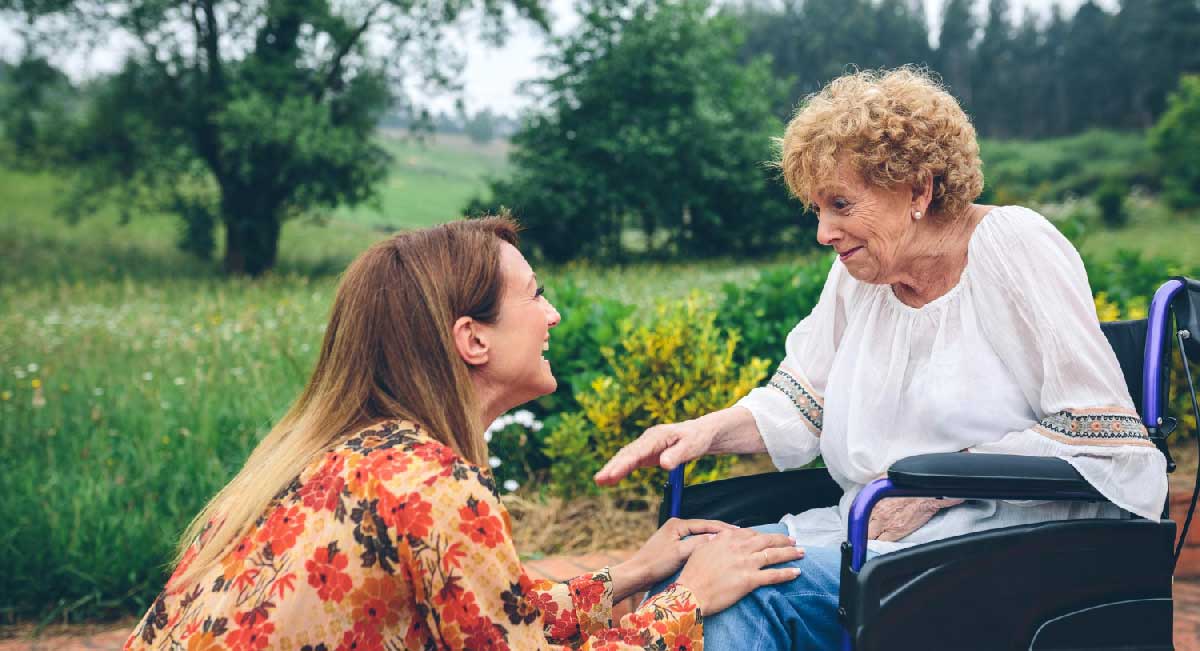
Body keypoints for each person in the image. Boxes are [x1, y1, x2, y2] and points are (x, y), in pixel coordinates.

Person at [595, 67, 1168, 648]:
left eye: (840, 204)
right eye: (817, 209)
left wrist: (932, 489)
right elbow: (802, 405)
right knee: (683, 574)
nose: (824, 232)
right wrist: (700, 432)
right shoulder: (861, 274)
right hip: (875, 532)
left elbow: (1105, 438)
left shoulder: (1011, 246)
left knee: (744, 595)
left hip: (997, 544)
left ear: (918, 190)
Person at [123, 217, 804, 651]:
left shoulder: (347, 452)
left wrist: (631, 572)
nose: (555, 315)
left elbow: (496, 623)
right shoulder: (434, 487)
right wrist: (688, 600)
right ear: (472, 338)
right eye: (536, 295)